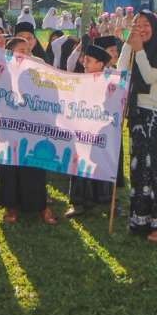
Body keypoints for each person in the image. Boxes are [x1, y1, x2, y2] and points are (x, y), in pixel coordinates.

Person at [120, 10, 157, 242]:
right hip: (138, 112)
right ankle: (141, 217)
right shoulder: (134, 47)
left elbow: (150, 76)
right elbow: (122, 68)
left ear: (154, 27)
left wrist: (140, 50)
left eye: (146, 25)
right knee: (139, 166)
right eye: (137, 24)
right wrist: (128, 44)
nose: (141, 29)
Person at [0, 33, 57, 225]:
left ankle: (40, 205)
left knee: (34, 166)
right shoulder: (2, 70)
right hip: (9, 125)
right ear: (10, 53)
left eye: (29, 50)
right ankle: (10, 207)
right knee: (10, 167)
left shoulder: (38, 70)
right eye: (22, 51)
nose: (27, 54)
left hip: (32, 126)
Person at [66, 43, 117, 217]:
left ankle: (105, 200)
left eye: (88, 60)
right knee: (79, 165)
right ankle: (78, 202)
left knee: (102, 163)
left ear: (100, 64)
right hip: (81, 133)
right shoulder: (79, 81)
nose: (84, 63)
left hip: (102, 133)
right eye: (84, 60)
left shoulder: (111, 84)